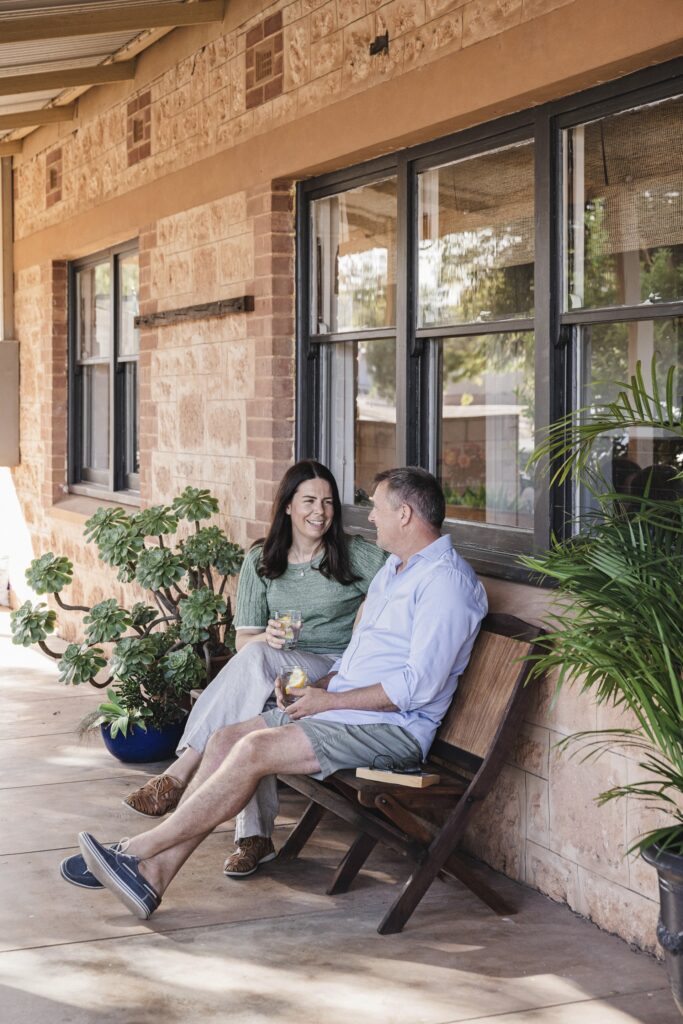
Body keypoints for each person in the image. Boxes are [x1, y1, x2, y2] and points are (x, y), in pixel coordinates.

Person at [72, 467, 489, 920]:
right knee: (226, 738)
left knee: (254, 750)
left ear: (405, 514)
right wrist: (319, 687)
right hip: (348, 712)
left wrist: (330, 701)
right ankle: (154, 875)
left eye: (377, 509)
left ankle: (135, 850)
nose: (370, 519)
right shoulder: (395, 569)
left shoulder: (446, 583)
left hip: (391, 729)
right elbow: (357, 661)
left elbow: (417, 687)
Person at [60, 460, 386, 887]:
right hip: (277, 668)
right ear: (288, 505)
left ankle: (180, 774)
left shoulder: (356, 554)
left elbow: (402, 588)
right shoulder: (262, 559)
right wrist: (266, 636)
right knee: (256, 696)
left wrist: (365, 617)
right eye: (309, 501)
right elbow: (244, 641)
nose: (320, 512)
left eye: (327, 502)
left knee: (256, 668)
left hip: (331, 670)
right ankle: (254, 837)